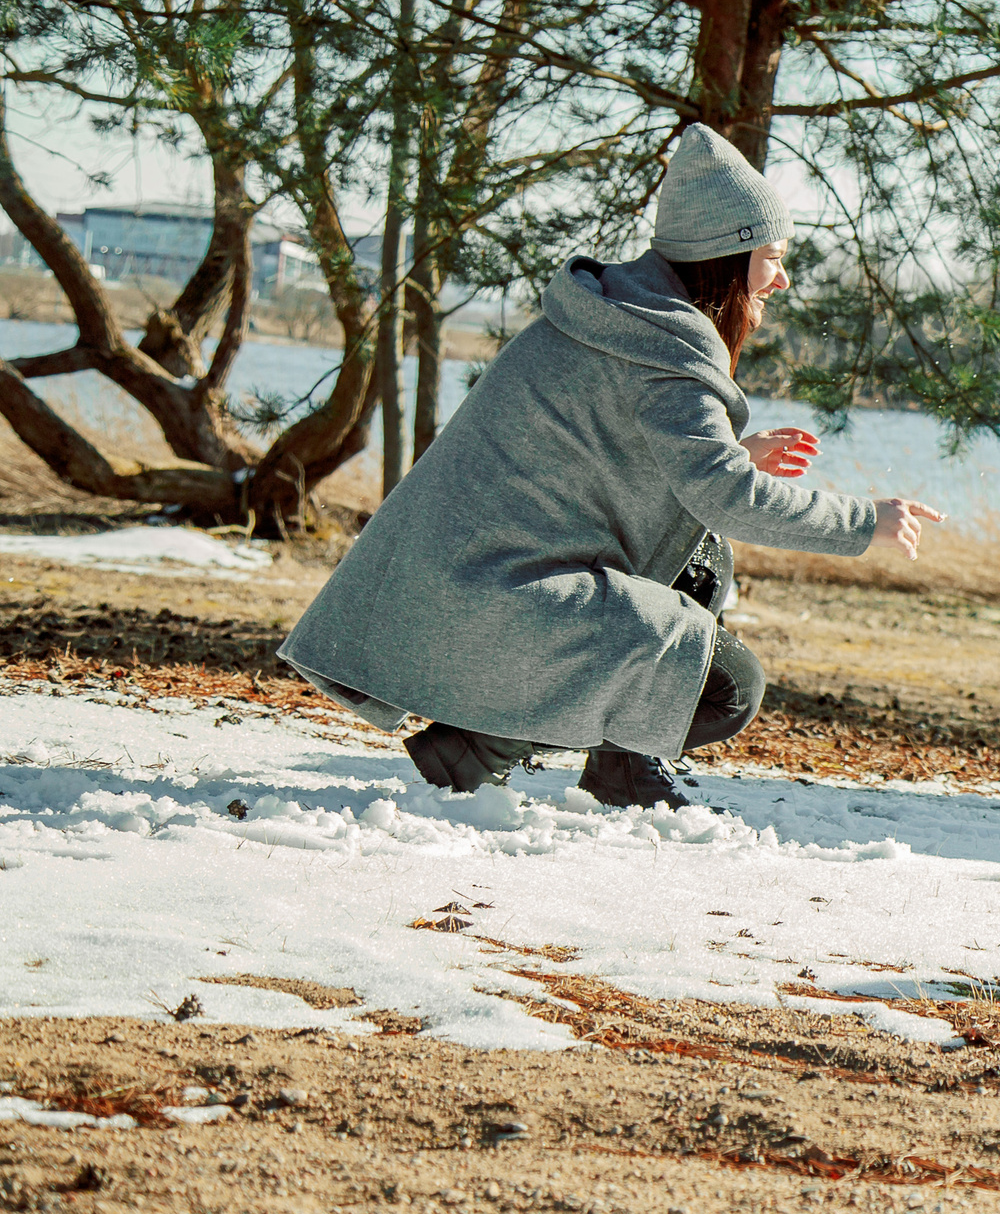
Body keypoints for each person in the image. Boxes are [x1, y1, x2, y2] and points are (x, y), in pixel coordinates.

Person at [280, 123, 944, 810]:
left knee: (701, 562)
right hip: (495, 606)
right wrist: (868, 520)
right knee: (729, 687)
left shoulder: (615, 311)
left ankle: (590, 762)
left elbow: (592, 458)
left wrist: (731, 453)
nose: (781, 277)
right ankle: (479, 747)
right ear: (727, 251)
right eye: (772, 256)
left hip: (469, 590)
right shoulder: (666, 347)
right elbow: (728, 497)